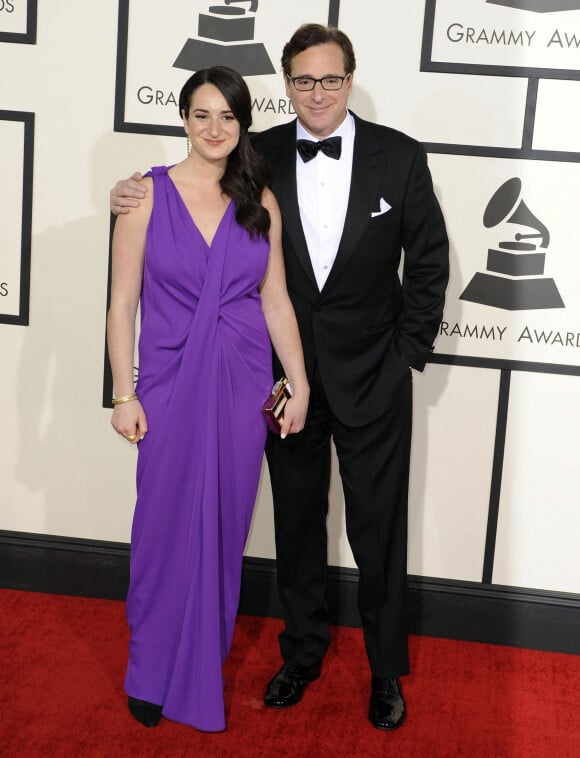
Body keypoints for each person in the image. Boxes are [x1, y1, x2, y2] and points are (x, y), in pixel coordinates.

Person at [110, 23, 449, 731]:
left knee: (377, 527)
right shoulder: (253, 157)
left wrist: (404, 358)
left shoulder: (400, 158)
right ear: (286, 85)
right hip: (273, 383)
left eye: (329, 79)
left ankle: (386, 670)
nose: (316, 92)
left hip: (370, 378)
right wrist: (126, 194)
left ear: (350, 80)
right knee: (296, 525)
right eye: (302, 80)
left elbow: (428, 263)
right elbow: (176, 231)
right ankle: (301, 652)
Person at [106, 65, 309, 733]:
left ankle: (197, 670)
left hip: (240, 384)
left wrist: (298, 382)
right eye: (201, 114)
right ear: (184, 119)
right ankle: (149, 670)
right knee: (162, 530)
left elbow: (274, 299)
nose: (214, 128)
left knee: (221, 533)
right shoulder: (143, 196)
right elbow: (122, 303)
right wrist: (123, 392)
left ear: (243, 123)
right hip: (166, 384)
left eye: (227, 116)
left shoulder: (260, 202)